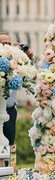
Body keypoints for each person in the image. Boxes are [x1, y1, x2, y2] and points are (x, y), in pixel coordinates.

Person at [0, 33, 34, 169]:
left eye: (8, 43)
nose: (6, 46)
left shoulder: (15, 61)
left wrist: (29, 59)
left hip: (10, 110)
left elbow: (32, 76)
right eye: (3, 43)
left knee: (10, 142)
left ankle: (10, 171)